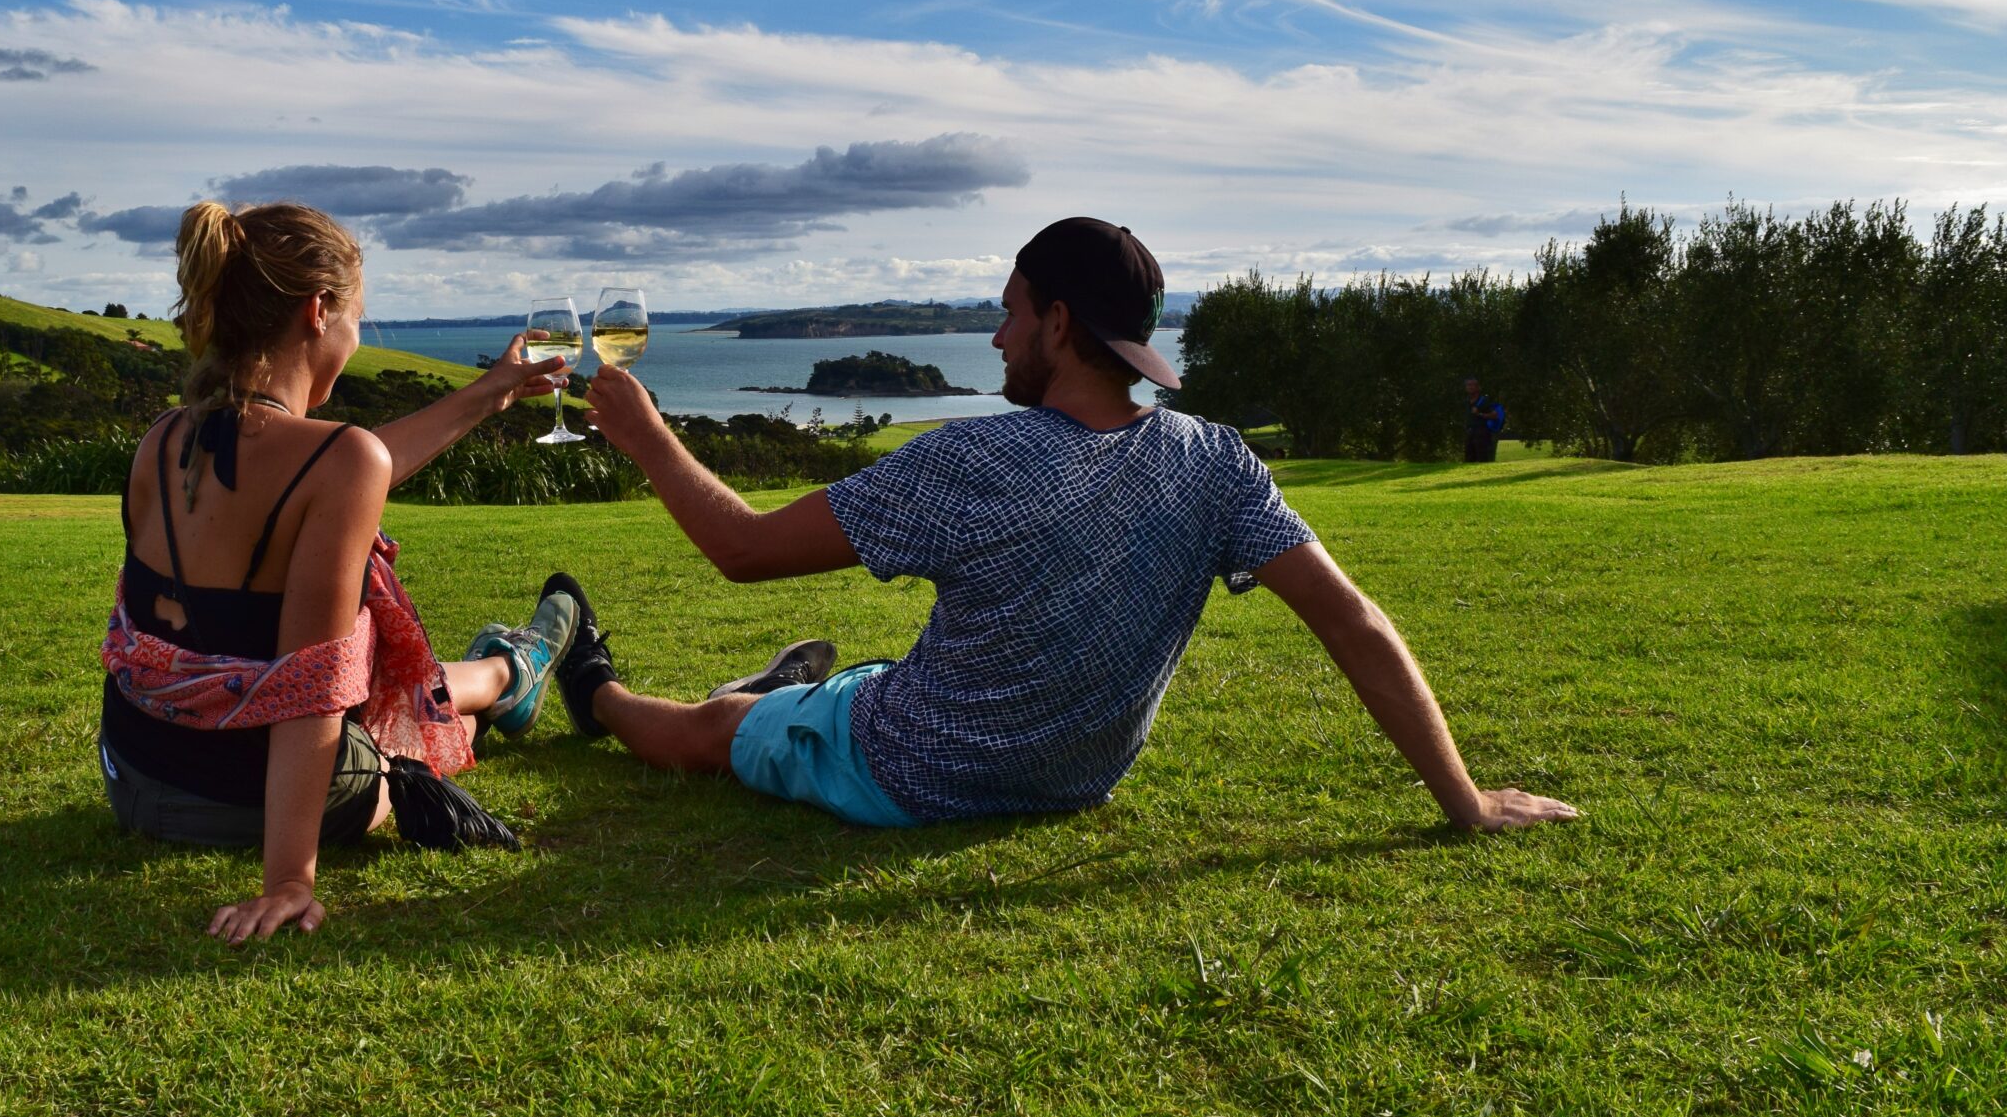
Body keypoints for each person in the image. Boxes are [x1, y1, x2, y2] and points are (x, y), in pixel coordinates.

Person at [556, 216, 1578, 836]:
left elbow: (741, 548)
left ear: (1055, 325)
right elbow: (1352, 621)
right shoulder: (1215, 460)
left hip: (908, 774)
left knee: (716, 730)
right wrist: (1465, 798)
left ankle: (591, 691)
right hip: (1069, 783)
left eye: (1007, 313)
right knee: (858, 685)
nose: (995, 337)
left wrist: (645, 437)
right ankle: (798, 693)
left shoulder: (974, 458)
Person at [99, 201, 582, 943]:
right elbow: (309, 687)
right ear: (319, 310)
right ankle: (511, 669)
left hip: (132, 781)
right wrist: (289, 878)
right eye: (358, 317)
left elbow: (347, 470)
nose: (357, 338)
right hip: (245, 803)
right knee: (401, 734)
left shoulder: (161, 442)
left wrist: (493, 390)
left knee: (404, 705)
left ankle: (507, 671)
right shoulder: (338, 463)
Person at [1464, 377, 1506, 463]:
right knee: (1469, 459)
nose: (1470, 387)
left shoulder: (1484, 401)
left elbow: (1494, 415)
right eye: (1468, 385)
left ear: (1478, 387)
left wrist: (1479, 414)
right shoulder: (1466, 401)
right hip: (1470, 432)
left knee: (1483, 459)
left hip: (1482, 433)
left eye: (1473, 385)